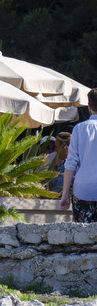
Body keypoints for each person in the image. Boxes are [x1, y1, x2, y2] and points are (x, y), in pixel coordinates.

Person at [60, 91, 97, 221]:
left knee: (82, 238)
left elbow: (70, 164)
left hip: (83, 190)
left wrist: (65, 194)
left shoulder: (79, 129)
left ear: (89, 106)